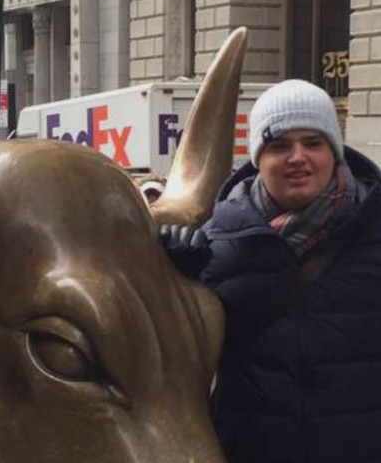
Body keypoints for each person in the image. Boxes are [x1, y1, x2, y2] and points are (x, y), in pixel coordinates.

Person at [161, 79, 381, 463]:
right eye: (279, 145)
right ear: (258, 158)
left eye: (313, 143)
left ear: (335, 151)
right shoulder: (216, 242)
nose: (298, 157)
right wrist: (178, 282)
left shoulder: (374, 228)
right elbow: (177, 360)